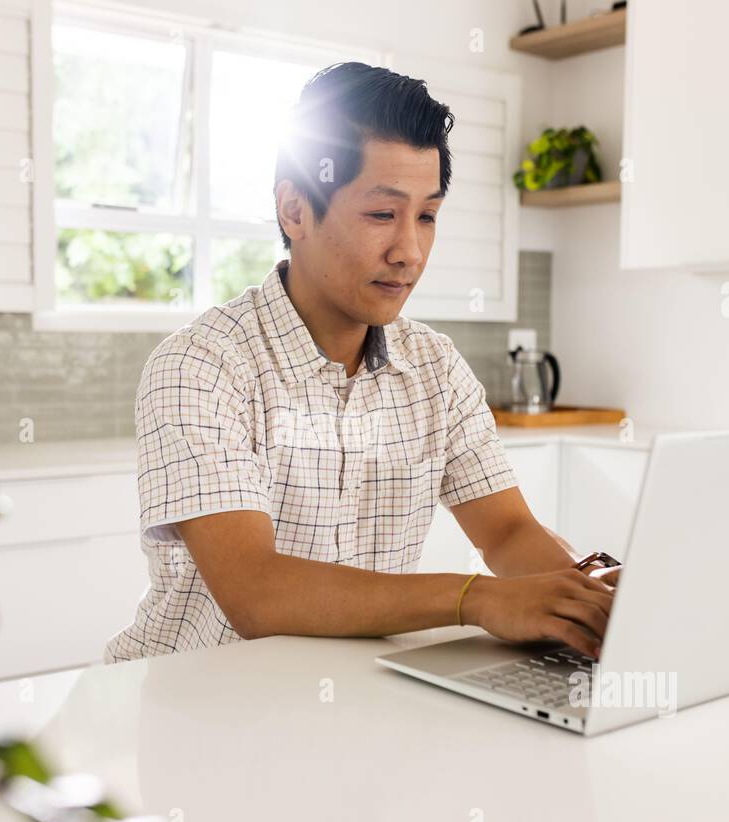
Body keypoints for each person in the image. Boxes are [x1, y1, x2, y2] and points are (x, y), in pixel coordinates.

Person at [106, 62, 616, 664]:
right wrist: (478, 599)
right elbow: (256, 592)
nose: (409, 251)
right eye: (382, 214)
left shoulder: (436, 368)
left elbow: (506, 532)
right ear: (295, 211)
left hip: (356, 703)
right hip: (197, 707)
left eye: (427, 216)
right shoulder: (200, 365)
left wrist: (584, 602)